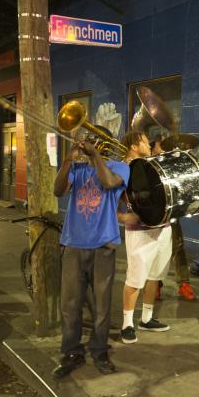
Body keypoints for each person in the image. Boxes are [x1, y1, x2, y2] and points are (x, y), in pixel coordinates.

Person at [51, 130, 129, 379]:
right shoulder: (78, 167)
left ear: (102, 144)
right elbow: (57, 190)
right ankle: (71, 353)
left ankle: (99, 351)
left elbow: (108, 183)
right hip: (73, 244)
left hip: (102, 244)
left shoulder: (120, 166)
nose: (86, 144)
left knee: (102, 305)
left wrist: (95, 155)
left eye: (92, 140)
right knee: (70, 305)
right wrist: (67, 160)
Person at [117, 132, 173, 345]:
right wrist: (121, 216)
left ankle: (146, 318)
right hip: (139, 231)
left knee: (154, 275)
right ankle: (127, 324)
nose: (149, 144)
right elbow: (109, 197)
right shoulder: (123, 168)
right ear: (133, 145)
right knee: (136, 278)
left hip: (162, 227)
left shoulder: (149, 164)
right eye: (144, 141)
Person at [148, 136, 195, 301]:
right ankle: (156, 285)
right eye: (161, 145)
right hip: (153, 214)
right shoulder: (147, 164)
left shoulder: (170, 163)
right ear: (152, 149)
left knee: (178, 247)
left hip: (171, 212)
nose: (165, 148)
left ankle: (184, 283)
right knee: (156, 251)